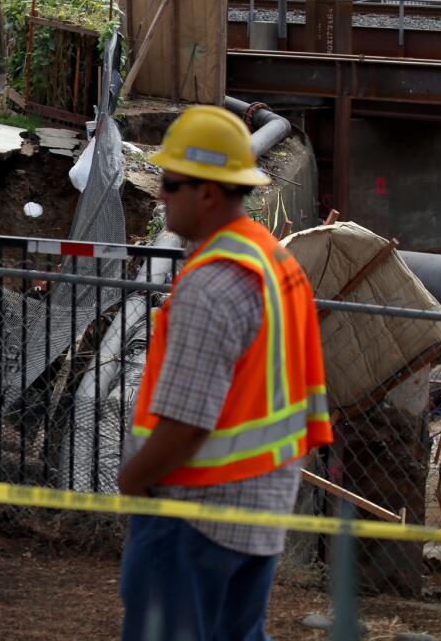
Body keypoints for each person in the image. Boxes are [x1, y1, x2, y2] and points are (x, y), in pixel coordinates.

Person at [117, 106, 332, 641]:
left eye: (170, 181)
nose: (159, 192)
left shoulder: (211, 286)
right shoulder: (274, 261)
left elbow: (188, 423)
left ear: (208, 193)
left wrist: (134, 476)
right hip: (261, 512)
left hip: (195, 516)